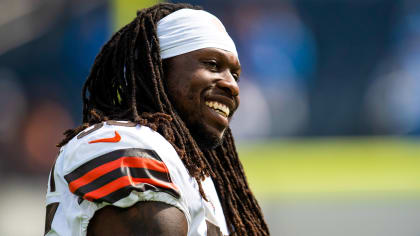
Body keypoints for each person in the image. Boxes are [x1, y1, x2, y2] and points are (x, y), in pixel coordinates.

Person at [44, 3, 269, 236]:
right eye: (212, 65)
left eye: (235, 75)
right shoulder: (128, 144)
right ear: (157, 69)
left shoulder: (192, 173)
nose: (232, 85)